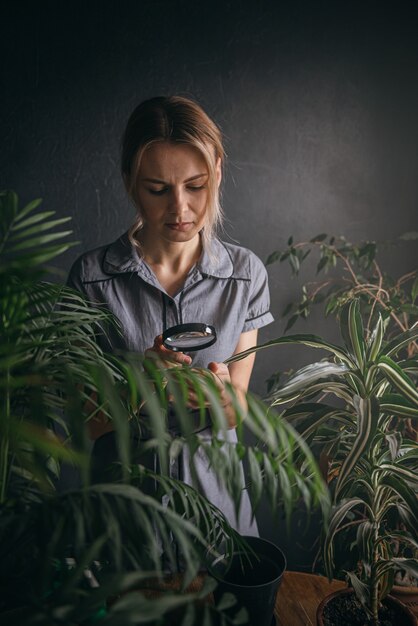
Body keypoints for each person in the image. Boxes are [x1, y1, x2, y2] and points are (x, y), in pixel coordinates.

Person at [67, 96, 274, 535]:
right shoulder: (90, 279)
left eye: (195, 186)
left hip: (218, 514)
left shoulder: (245, 275)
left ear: (217, 171)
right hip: (126, 525)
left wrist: (220, 397)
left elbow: (237, 408)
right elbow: (84, 424)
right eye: (157, 190)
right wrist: (136, 385)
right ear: (129, 183)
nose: (179, 209)